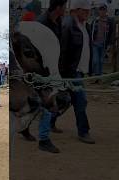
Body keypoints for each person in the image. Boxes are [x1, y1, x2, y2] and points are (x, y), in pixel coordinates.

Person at [59, 0, 95, 144]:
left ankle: (49, 121)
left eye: (88, 11)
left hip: (79, 71)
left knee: (65, 101)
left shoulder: (85, 25)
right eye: (85, 11)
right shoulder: (68, 26)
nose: (88, 13)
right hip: (72, 72)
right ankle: (83, 131)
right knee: (80, 101)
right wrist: (63, 74)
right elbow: (63, 52)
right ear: (76, 10)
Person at [37, 0, 67, 134]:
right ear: (58, 7)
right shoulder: (42, 23)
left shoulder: (59, 21)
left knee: (63, 99)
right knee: (47, 101)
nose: (66, 9)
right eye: (64, 6)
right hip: (44, 69)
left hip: (55, 67)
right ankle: (42, 135)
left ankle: (50, 123)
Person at [91, 3, 114, 77]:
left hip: (104, 44)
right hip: (95, 43)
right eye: (100, 10)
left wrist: (110, 44)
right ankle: (95, 75)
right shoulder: (95, 20)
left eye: (103, 10)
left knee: (101, 61)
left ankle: (99, 76)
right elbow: (91, 30)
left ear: (106, 10)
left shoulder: (109, 21)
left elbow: (111, 33)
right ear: (98, 11)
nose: (102, 11)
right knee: (95, 60)